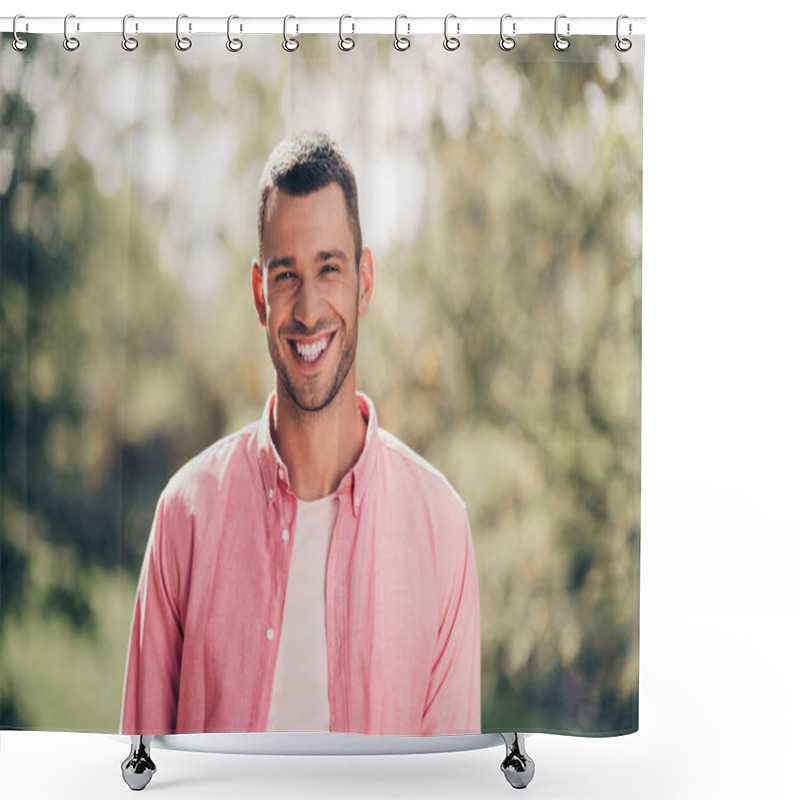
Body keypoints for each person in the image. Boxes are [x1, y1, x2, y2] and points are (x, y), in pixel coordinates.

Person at [120, 132, 480, 736]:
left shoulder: (440, 527)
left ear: (364, 281)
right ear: (261, 294)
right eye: (286, 275)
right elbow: (137, 773)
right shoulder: (185, 517)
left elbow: (449, 787)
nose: (309, 309)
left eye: (330, 269)